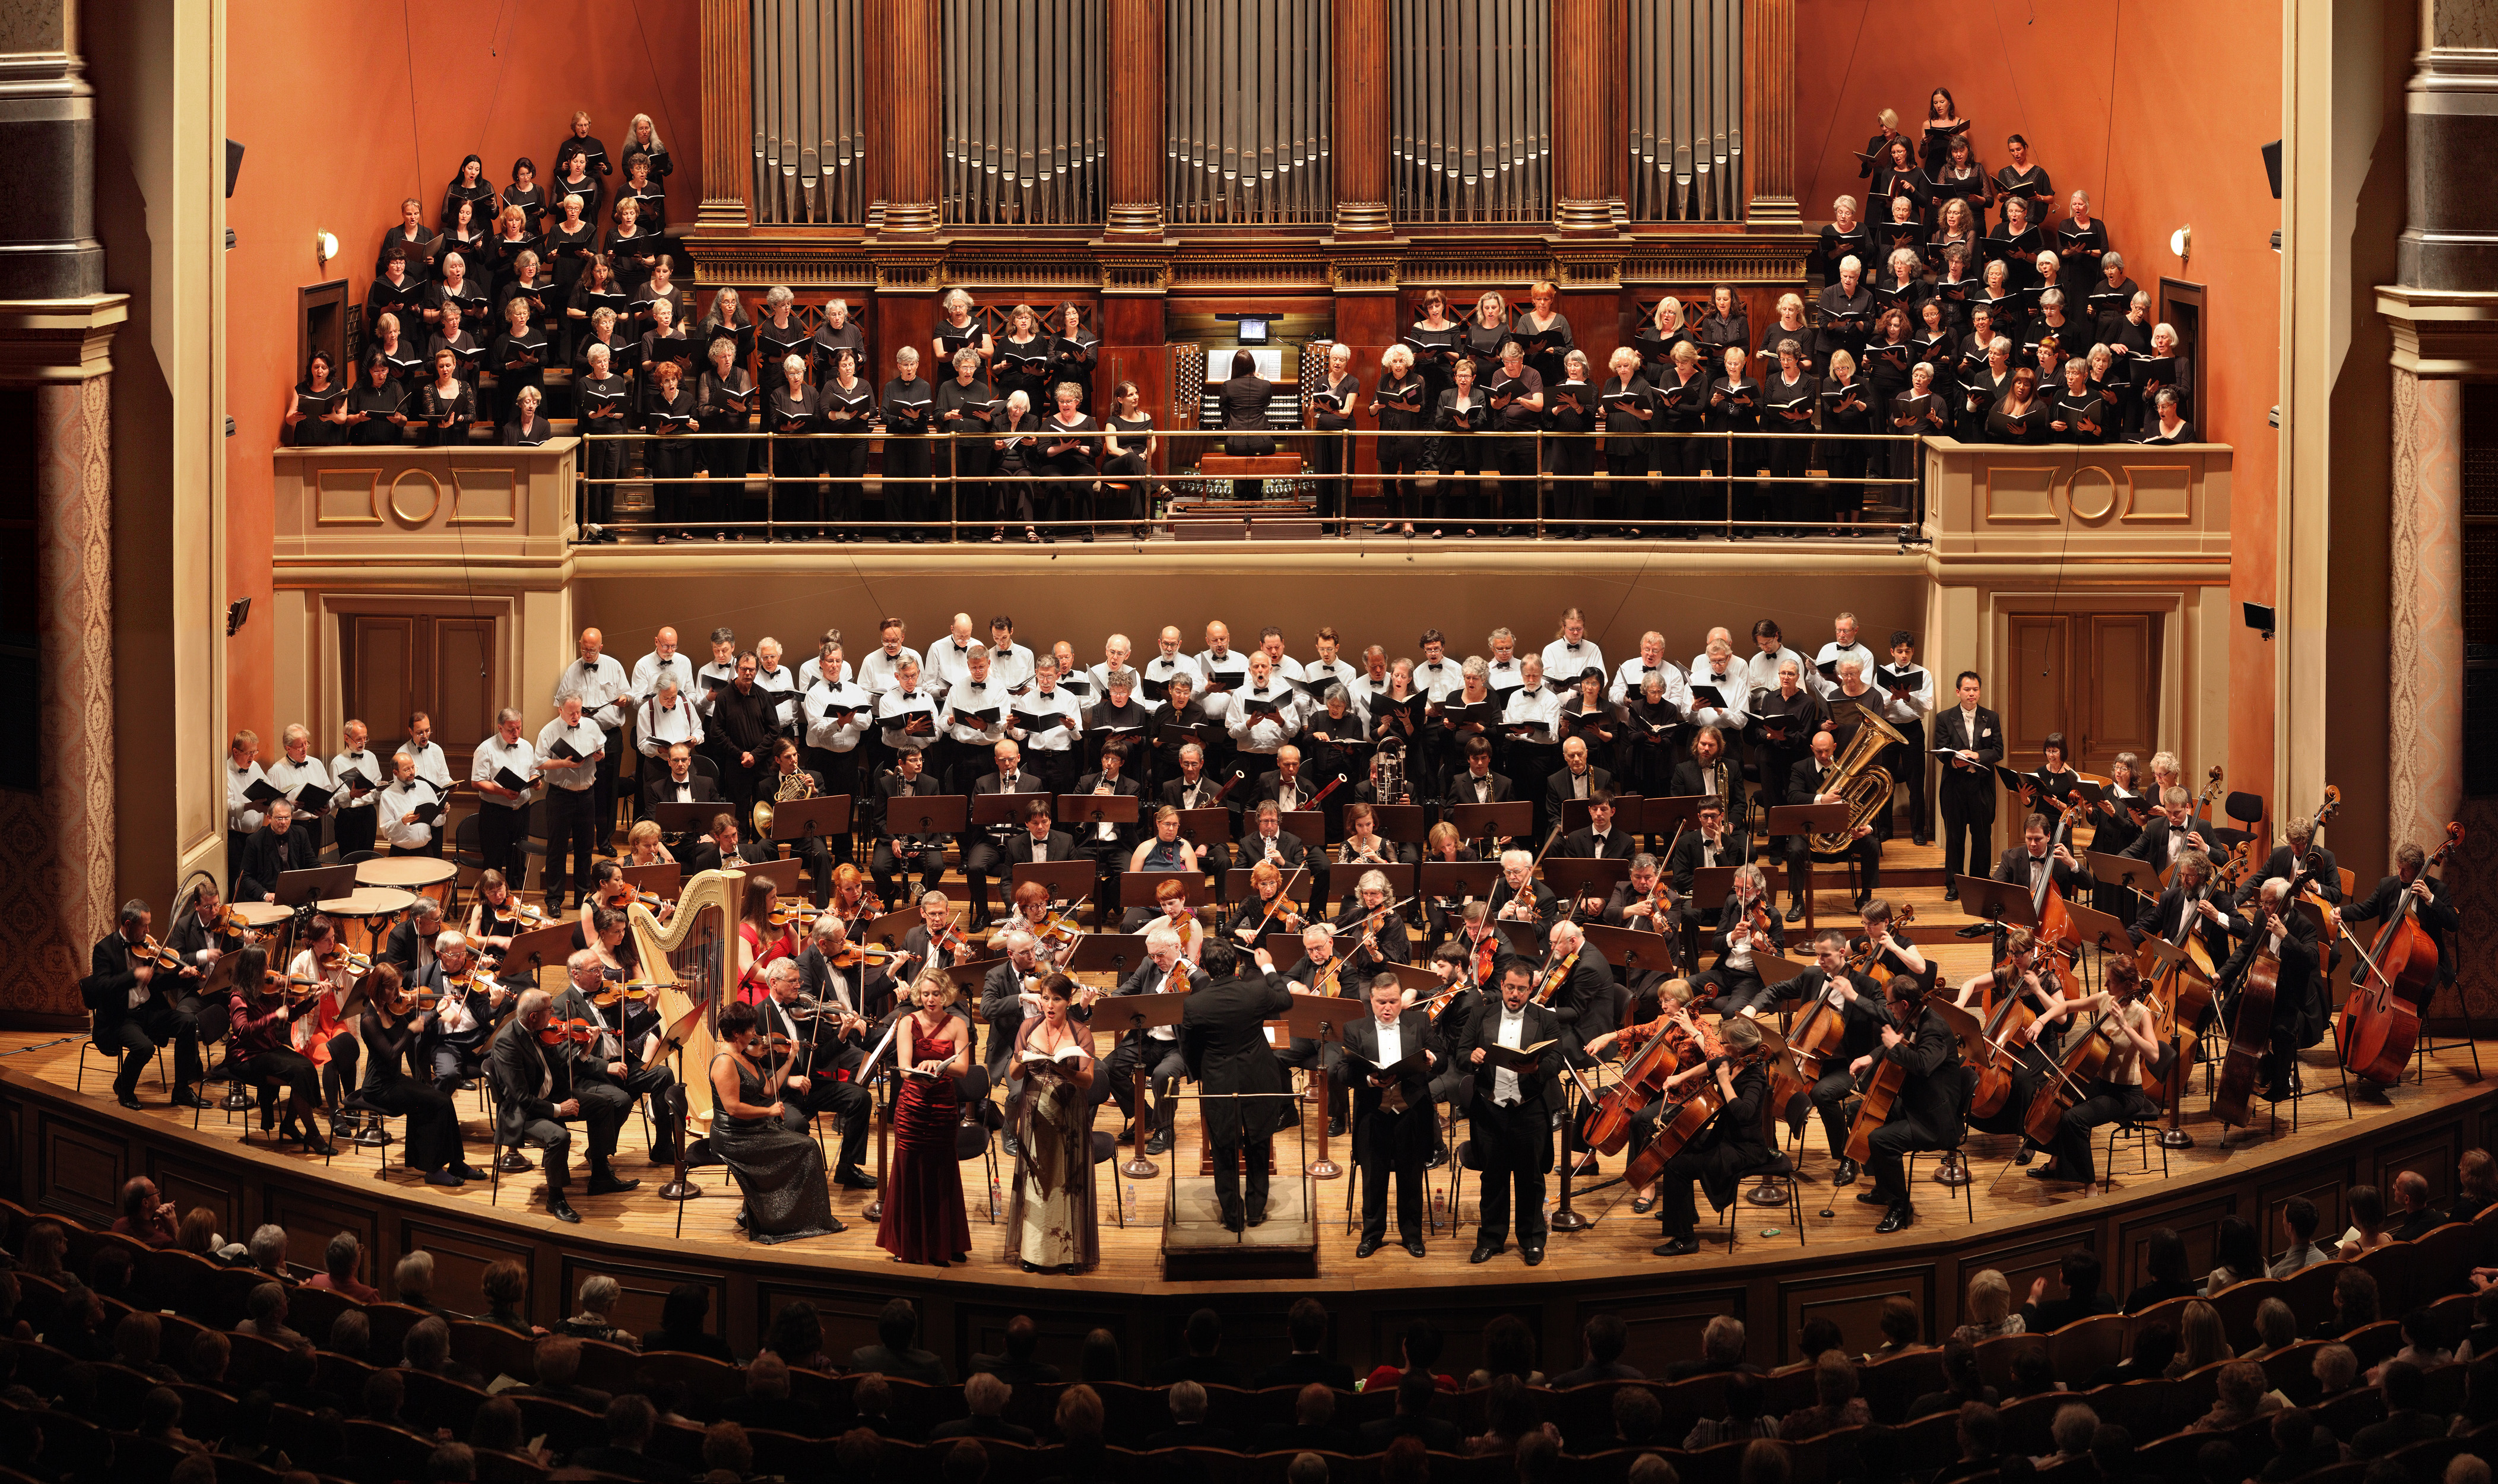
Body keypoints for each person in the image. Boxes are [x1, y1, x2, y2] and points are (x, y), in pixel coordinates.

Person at [487, 988, 634, 1224]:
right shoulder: (508, 1043)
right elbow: (520, 1098)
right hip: (524, 1113)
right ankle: (555, 1198)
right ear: (533, 1017)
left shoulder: (543, 1031)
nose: (554, 1013)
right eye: (549, 1010)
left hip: (552, 1095)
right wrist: (558, 1109)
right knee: (559, 1136)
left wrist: (586, 1050)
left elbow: (564, 1071)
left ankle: (600, 1175)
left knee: (605, 1104)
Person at [1181, 939, 1294, 1232]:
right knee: (1258, 1141)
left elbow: (1190, 1049)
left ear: (1205, 967)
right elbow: (1286, 1000)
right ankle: (1256, 1209)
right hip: (1258, 1074)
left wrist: (1200, 1073)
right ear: (1235, 965)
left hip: (1219, 1080)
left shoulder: (1194, 1003)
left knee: (1223, 1145)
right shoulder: (1257, 990)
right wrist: (1267, 966)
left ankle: (1233, 1216)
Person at [705, 996, 839, 1244]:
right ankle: (784, 1219)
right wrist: (768, 1112)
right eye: (751, 1029)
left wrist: (790, 1060)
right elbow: (733, 1108)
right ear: (737, 1033)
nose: (756, 1034)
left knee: (803, 1145)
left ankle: (783, 1215)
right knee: (807, 1147)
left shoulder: (745, 1055)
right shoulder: (725, 1062)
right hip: (734, 1137)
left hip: (752, 1129)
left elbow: (769, 1089)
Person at [2023, 959, 2163, 1186]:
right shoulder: (2106, 998)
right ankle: (2055, 1163)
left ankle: (2090, 1185)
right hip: (2100, 1082)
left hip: (2126, 1093)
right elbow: (2067, 1007)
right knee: (2059, 1105)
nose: (2105, 984)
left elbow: (2154, 1055)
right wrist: (2041, 1020)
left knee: (2075, 1119)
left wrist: (2126, 1027)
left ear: (2128, 984)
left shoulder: (2141, 1014)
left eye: (2111, 981)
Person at [1463, 956, 1562, 1266]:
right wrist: (1473, 1056)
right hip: (1490, 1109)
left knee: (1530, 1179)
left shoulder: (1545, 1019)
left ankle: (1533, 1240)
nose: (1515, 994)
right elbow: (1460, 1054)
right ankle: (1491, 1239)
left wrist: (1536, 1067)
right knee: (1493, 1178)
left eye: (1521, 989)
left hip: (1528, 1109)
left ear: (1531, 989)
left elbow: (1556, 1059)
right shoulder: (1480, 1015)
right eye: (1510, 988)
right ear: (1502, 986)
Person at [878, 973, 974, 1265]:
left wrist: (940, 1067)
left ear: (946, 995)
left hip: (944, 1107)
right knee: (908, 1172)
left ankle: (946, 1242)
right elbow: (905, 1070)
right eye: (926, 994)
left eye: (936, 994)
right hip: (913, 1107)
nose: (931, 999)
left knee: (943, 1171)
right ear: (919, 995)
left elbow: (963, 1070)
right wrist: (924, 1067)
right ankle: (908, 1243)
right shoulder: (908, 1022)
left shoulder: (959, 1024)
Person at [1005, 974, 1098, 1274]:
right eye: (1045, 998)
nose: (1049, 1004)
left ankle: (1069, 1256)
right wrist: (1023, 1059)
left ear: (1068, 1001)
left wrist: (1063, 1068)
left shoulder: (1082, 1034)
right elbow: (1015, 1074)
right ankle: (1034, 1253)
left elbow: (1087, 1081)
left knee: (1066, 1181)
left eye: (1056, 999)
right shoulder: (1027, 1029)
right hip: (1034, 1113)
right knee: (1037, 1181)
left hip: (1068, 1114)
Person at [1345, 973, 1441, 1260]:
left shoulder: (1420, 1023)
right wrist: (1371, 1081)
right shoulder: (1354, 1028)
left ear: (1402, 1000)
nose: (1387, 1008)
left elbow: (1443, 1057)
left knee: (1411, 1178)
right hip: (1374, 1115)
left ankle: (1412, 1236)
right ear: (1371, 1001)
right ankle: (1372, 1236)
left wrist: (1432, 1059)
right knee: (1373, 1179)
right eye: (1381, 1002)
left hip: (1410, 1113)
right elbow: (1342, 1071)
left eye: (1394, 1002)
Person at [357, 963, 475, 1186]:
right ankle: (432, 1169)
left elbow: (418, 1023)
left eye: (400, 988)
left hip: (394, 1081)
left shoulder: (392, 1007)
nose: (399, 994)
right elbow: (392, 1055)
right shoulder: (369, 1020)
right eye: (393, 989)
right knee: (437, 1102)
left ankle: (456, 1161)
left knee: (443, 1101)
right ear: (379, 989)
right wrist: (410, 1032)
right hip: (378, 1087)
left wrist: (437, 1012)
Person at [83, 899, 205, 1110]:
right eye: (144, 926)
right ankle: (124, 1087)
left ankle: (182, 1089)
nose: (149, 931)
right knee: (145, 1048)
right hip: (121, 1018)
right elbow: (102, 987)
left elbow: (156, 982)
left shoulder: (146, 947)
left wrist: (182, 977)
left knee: (187, 1022)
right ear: (129, 925)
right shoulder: (104, 949)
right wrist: (134, 975)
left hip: (149, 1011)